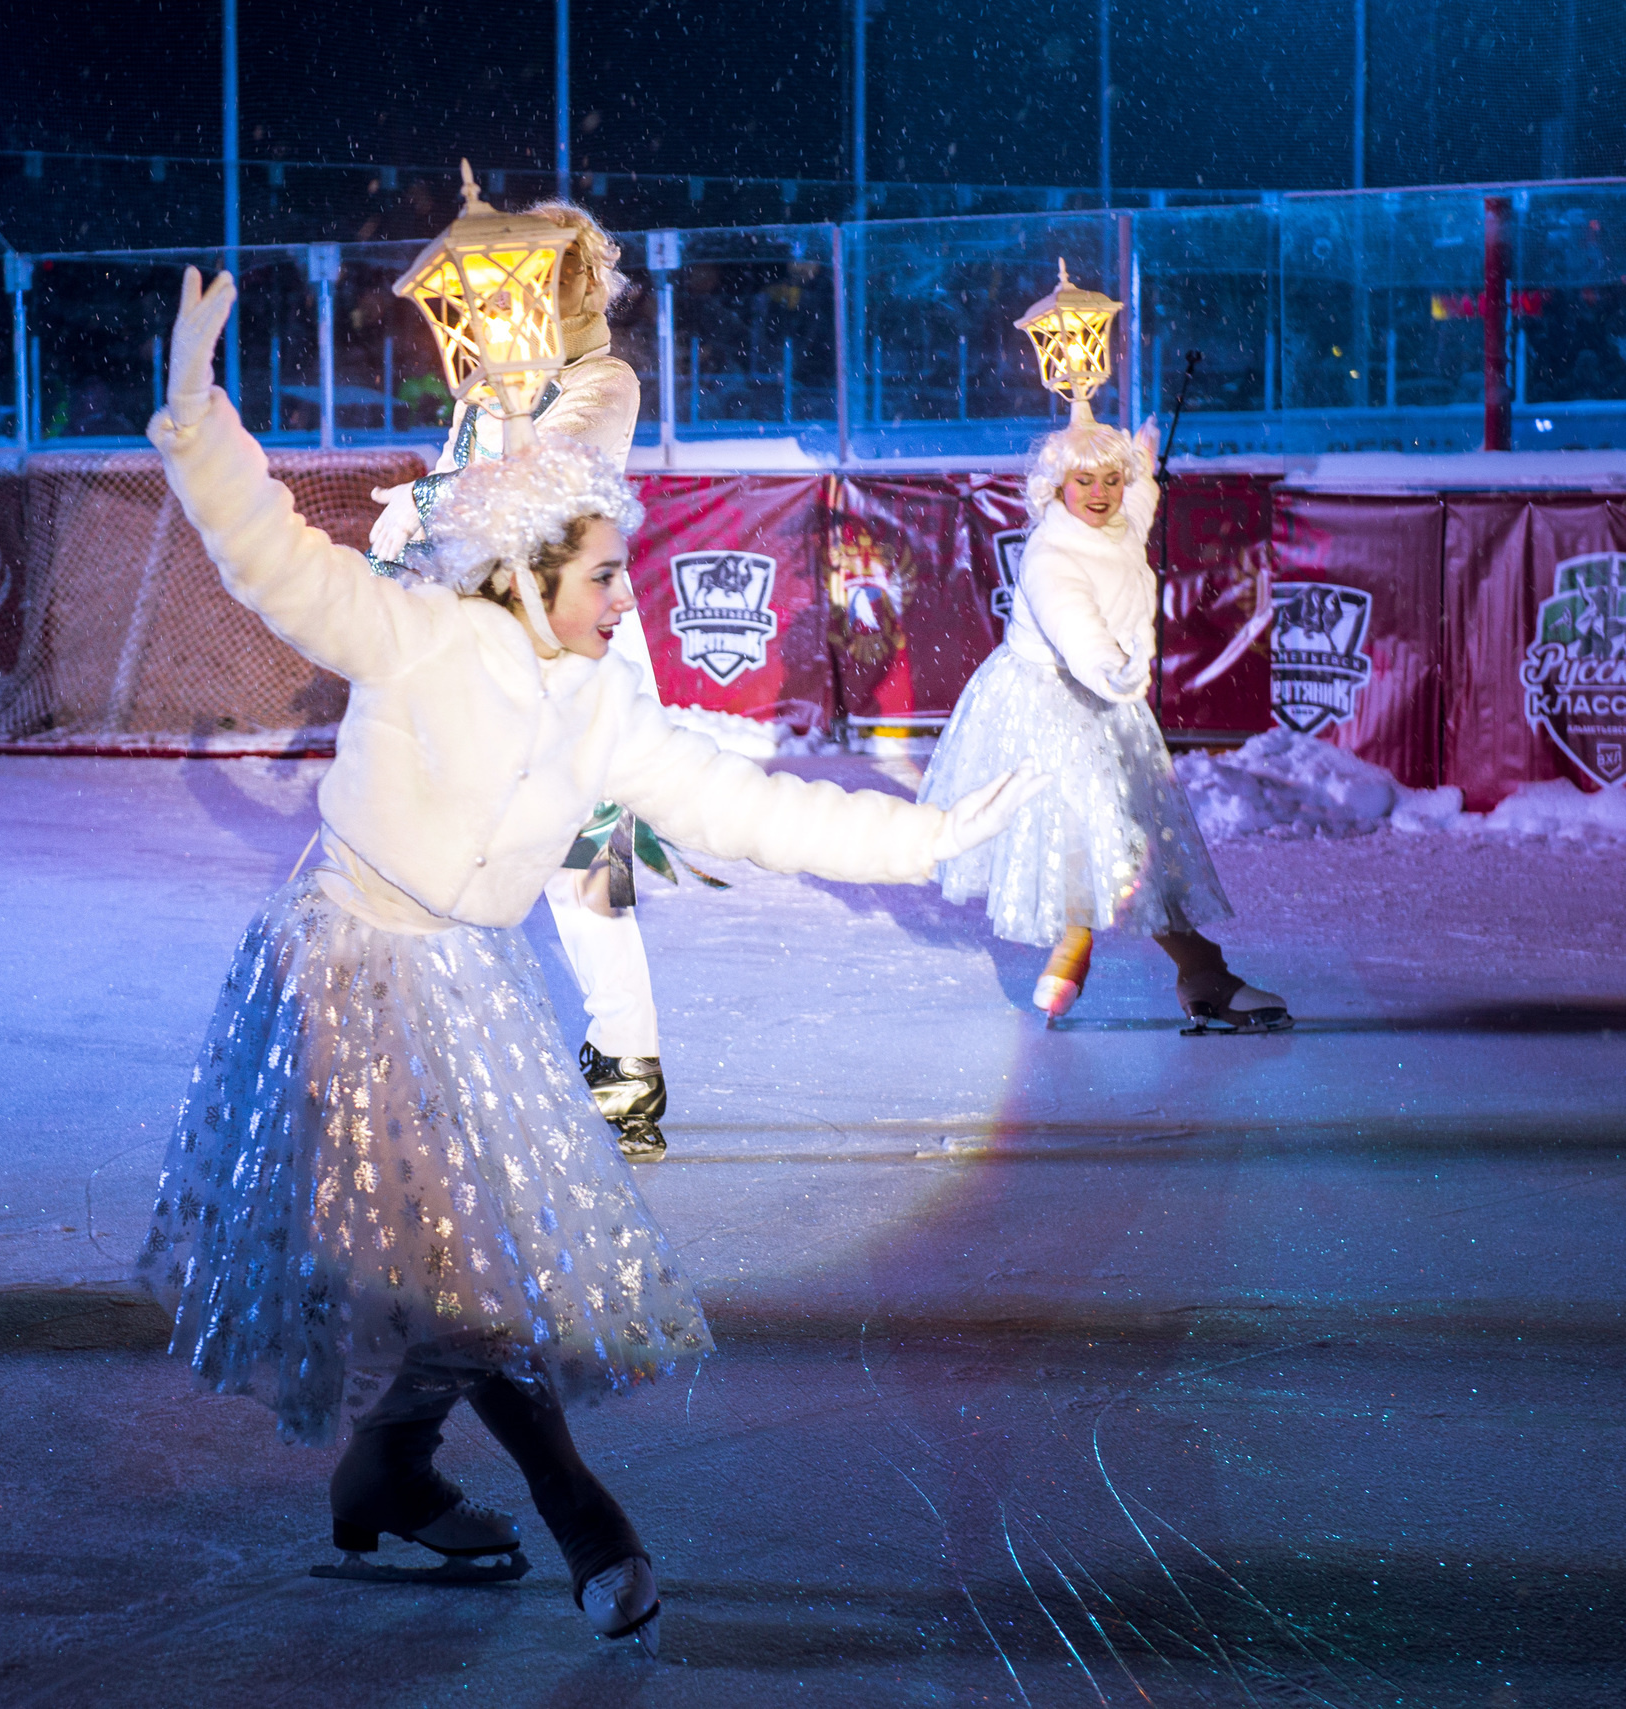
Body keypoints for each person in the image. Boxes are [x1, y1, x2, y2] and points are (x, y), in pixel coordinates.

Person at [135, 269, 1044, 1646]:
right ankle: (586, 1521)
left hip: (461, 983)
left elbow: (754, 806)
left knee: (455, 1270)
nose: (631, 595)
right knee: (460, 1272)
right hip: (351, 970)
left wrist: (928, 844)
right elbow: (274, 561)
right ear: (527, 572)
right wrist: (198, 413)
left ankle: (385, 1468)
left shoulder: (600, 709)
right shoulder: (420, 636)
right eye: (606, 574)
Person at [367, 199, 676, 1160]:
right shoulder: (488, 385)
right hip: (483, 657)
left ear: (578, 279)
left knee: (587, 875)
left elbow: (546, 484)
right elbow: (467, 488)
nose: (524, 296)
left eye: (545, 275)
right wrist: (413, 522)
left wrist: (426, 500)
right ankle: (446, 1063)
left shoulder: (601, 378)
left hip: (575, 663)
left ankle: (628, 1070)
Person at [917, 413, 1288, 1031]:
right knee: (1095, 834)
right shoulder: (1051, 554)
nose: (1100, 493)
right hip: (1052, 704)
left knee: (1139, 838)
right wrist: (1113, 672)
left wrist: (1142, 465)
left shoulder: (1116, 523)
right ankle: (1108, 949)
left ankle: (1195, 969)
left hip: (1108, 701)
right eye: (1084, 480)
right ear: (1055, 487)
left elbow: (1137, 507)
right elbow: (1076, 627)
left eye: (1110, 480)